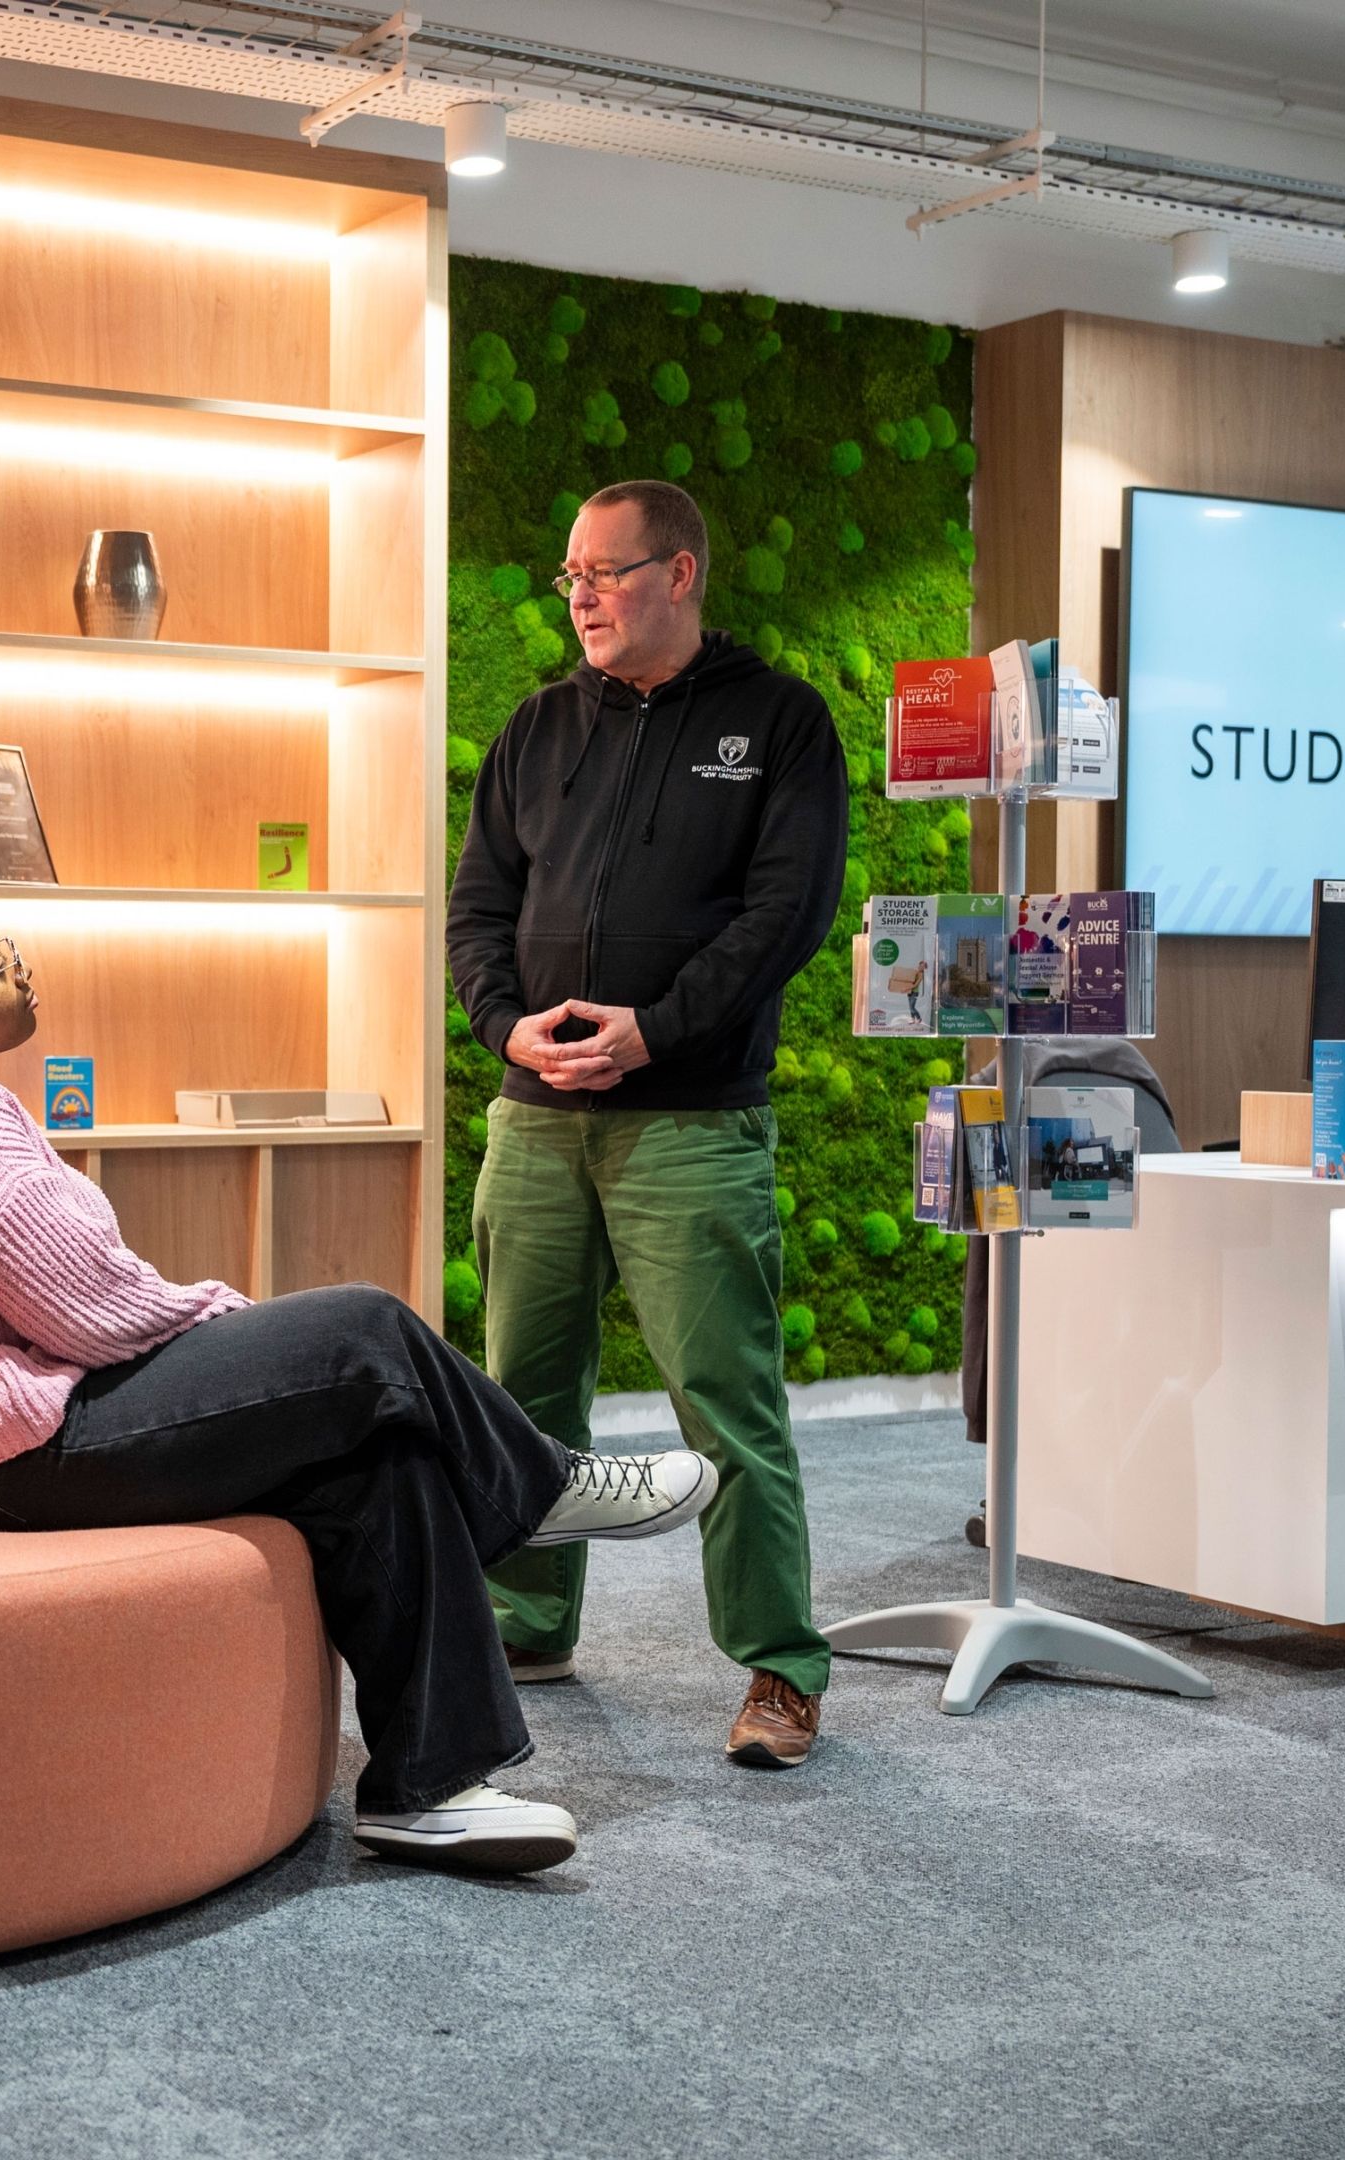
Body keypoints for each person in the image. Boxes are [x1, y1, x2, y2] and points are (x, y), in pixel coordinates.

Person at [0, 891, 718, 1876]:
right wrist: (226, 1323)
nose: (21, 963)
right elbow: (74, 1292)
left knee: (378, 1456)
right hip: (15, 1443)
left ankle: (429, 1789)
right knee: (364, 1329)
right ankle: (539, 1487)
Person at [447, 479, 850, 1769]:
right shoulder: (535, 728)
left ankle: (782, 1670)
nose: (579, 598)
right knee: (520, 1395)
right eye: (568, 575)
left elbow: (783, 921)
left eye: (605, 575)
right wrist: (506, 1025)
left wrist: (655, 1030)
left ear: (679, 574)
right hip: (535, 1118)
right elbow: (476, 909)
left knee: (725, 1405)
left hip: (689, 1121)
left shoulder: (779, 722)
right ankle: (525, 1616)